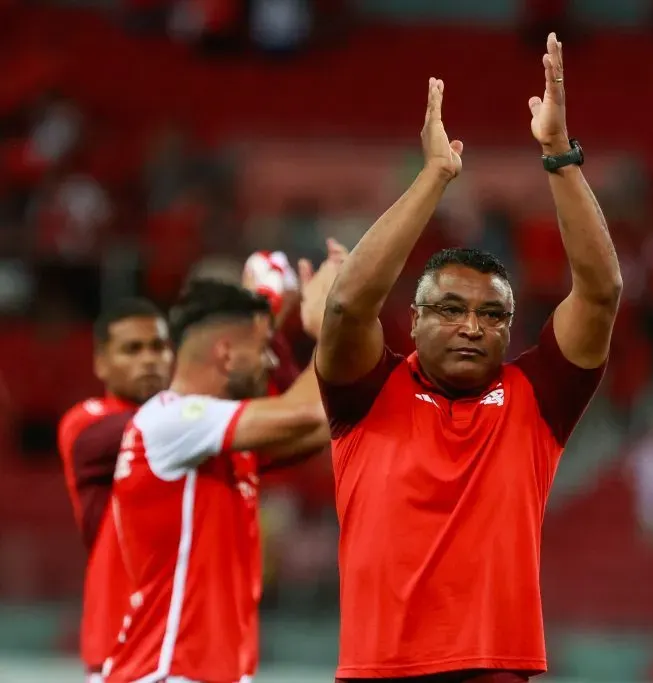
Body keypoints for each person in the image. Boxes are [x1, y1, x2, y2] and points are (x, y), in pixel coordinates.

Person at [316, 33, 621, 681]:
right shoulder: (366, 393)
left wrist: (559, 155)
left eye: (492, 315)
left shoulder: (539, 397)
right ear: (416, 317)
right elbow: (345, 308)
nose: (472, 327)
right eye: (451, 309)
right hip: (378, 672)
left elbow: (601, 290)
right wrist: (433, 178)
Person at [102, 249, 341, 683]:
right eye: (262, 350)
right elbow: (304, 412)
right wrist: (331, 325)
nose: (271, 361)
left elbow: (327, 420)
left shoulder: (221, 443)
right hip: (167, 673)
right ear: (226, 355)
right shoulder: (169, 419)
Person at [57, 298, 174, 683]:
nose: (149, 360)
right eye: (132, 349)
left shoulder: (194, 422)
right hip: (120, 651)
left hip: (189, 645)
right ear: (101, 362)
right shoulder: (87, 425)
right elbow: (162, 427)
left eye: (158, 347)